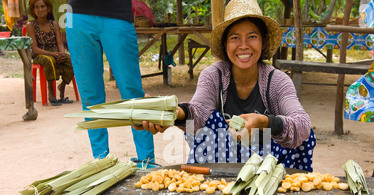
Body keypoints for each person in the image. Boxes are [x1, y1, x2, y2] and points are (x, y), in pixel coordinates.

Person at [135, 0, 316, 171]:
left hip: (267, 163)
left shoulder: (277, 81)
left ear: (263, 41)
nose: (243, 46)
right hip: (222, 157)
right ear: (225, 43)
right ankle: (207, 192)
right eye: (235, 37)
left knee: (304, 137)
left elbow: (302, 123)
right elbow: (198, 112)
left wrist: (264, 121)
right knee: (206, 124)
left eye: (252, 36)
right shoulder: (213, 76)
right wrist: (171, 112)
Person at [65, 0, 155, 166]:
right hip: (76, 16)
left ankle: (147, 161)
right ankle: (101, 163)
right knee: (90, 95)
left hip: (117, 14)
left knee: (132, 93)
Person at [26, 0, 74, 106]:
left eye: (42, 6)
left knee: (72, 60)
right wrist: (53, 54)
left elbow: (59, 43)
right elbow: (34, 48)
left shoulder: (54, 24)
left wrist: (61, 53)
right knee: (49, 61)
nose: (40, 10)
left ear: (48, 9)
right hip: (40, 54)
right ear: (33, 10)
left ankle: (62, 87)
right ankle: (51, 92)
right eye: (36, 7)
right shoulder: (31, 25)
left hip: (55, 52)